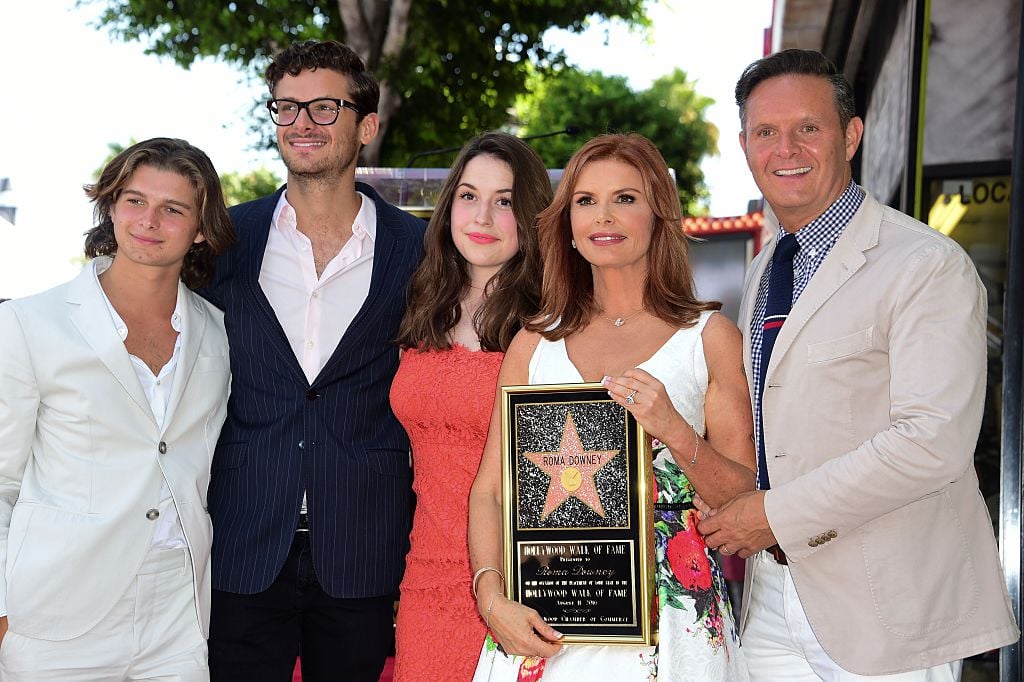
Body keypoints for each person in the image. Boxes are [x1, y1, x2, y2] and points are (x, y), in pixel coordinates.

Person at [697, 49, 1020, 680]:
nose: (786, 148)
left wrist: (771, 515)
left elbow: (932, 443)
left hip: (886, 608)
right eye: (766, 132)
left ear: (850, 135)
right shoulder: (768, 268)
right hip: (768, 603)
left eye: (808, 128)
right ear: (745, 144)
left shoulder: (926, 264)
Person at [468, 133, 755, 681]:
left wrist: (674, 429)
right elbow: (490, 489)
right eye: (585, 200)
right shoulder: (533, 343)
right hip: (544, 619)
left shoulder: (709, 338)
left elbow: (742, 498)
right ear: (568, 225)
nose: (604, 215)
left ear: (657, 216)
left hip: (668, 628)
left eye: (625, 198)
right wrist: (490, 594)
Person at [201, 40, 426, 681]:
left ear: (367, 126)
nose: (302, 123)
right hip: (243, 536)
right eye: (287, 107)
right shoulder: (223, 240)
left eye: (325, 107)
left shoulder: (420, 250)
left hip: (363, 542)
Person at [0, 137, 235, 680]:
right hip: (57, 614)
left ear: (200, 228)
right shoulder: (31, 322)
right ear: (111, 206)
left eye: (172, 209)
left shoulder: (218, 335)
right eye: (134, 201)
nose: (148, 220)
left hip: (177, 614)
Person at [389, 131, 552, 680]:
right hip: (426, 580)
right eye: (468, 195)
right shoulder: (420, 305)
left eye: (504, 201)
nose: (482, 215)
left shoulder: (553, 324)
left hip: (524, 583)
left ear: (530, 216)